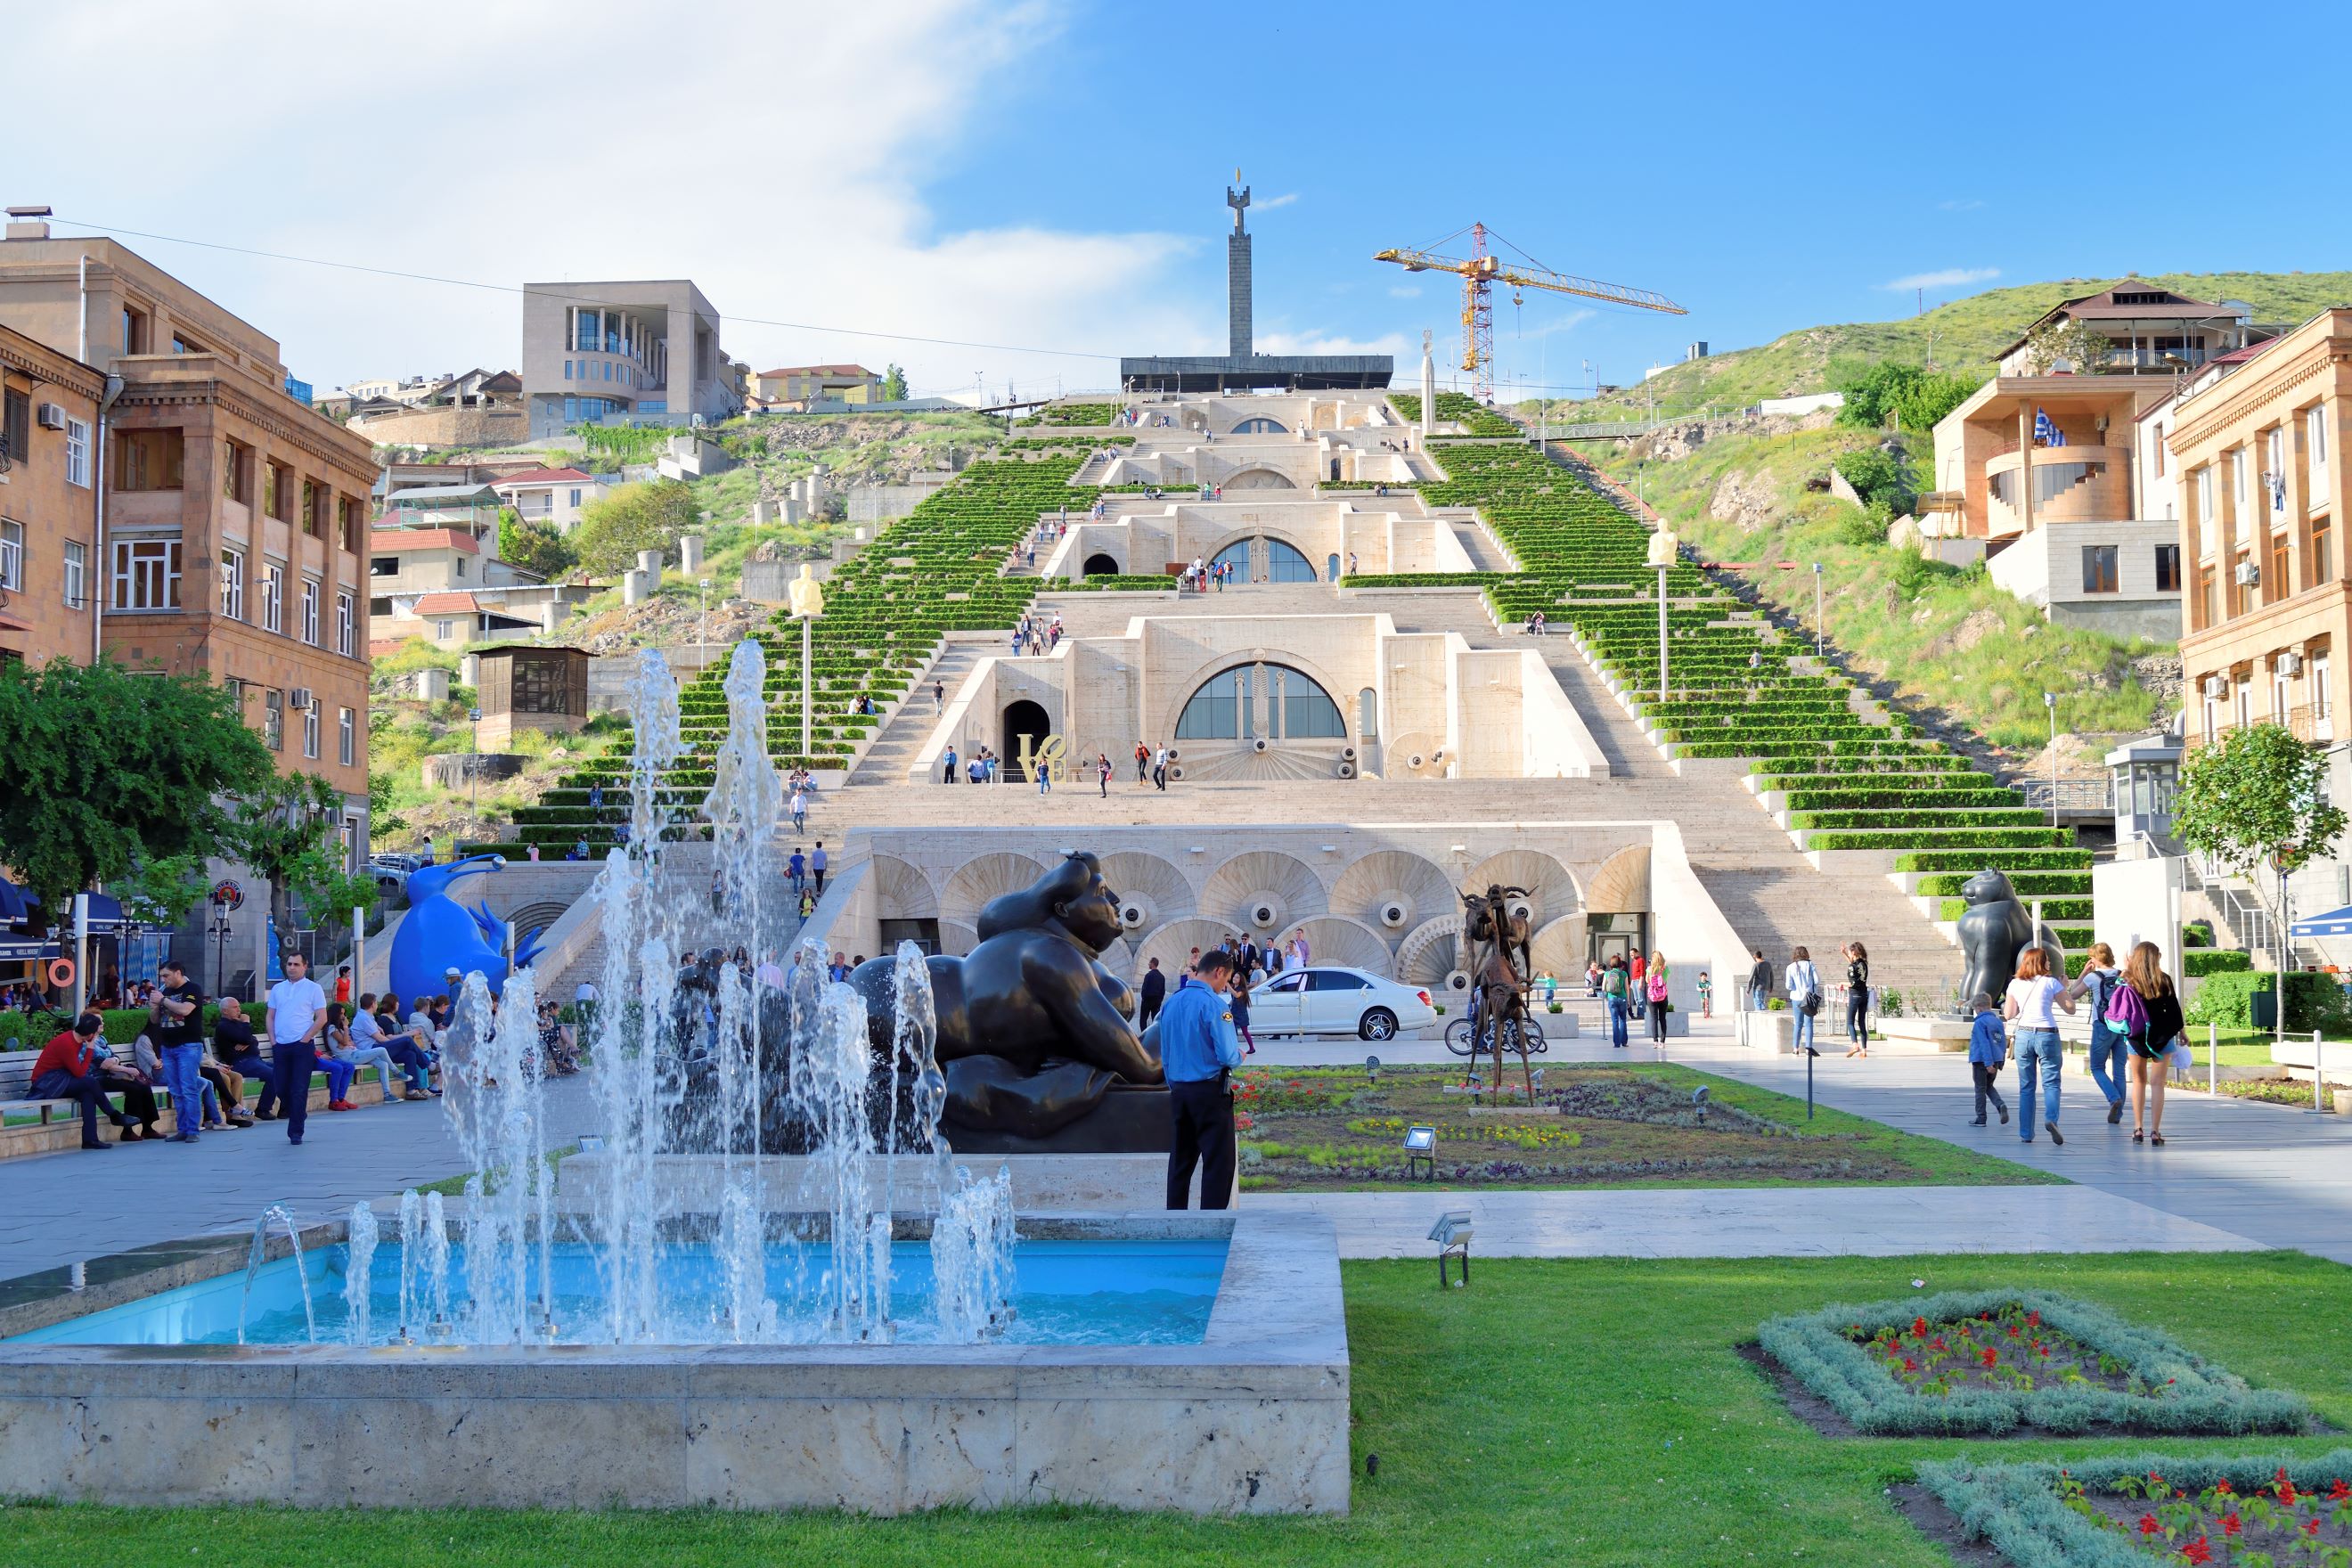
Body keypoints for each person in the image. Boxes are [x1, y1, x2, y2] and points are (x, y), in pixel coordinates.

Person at [1160, 951, 1245, 1211]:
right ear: (1219, 972)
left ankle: (1175, 1225)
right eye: (1226, 979)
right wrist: (1239, 1055)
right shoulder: (1215, 1005)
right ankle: (1211, 1226)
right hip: (1209, 1092)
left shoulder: (1172, 1003)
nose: (1224, 986)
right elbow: (1227, 1054)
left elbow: (1165, 1053)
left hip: (1179, 1092)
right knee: (1218, 1163)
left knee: (1180, 1162)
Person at [30, 1013, 139, 1149]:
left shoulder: (75, 1038)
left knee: (88, 1095)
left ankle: (90, 1140)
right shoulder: (67, 1044)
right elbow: (80, 1073)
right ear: (91, 1035)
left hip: (60, 1080)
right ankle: (114, 1115)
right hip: (46, 1084)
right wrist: (90, 1049)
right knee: (90, 1082)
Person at [2002, 947, 2073, 1147]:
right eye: (2047, 960)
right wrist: (2064, 987)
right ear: (2041, 963)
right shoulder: (2051, 983)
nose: (2049, 963)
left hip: (2024, 1035)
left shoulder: (2015, 984)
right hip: (2047, 1033)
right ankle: (2051, 1119)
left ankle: (2026, 1133)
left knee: (2026, 1086)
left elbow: (2009, 1014)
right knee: (2051, 1083)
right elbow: (2070, 1008)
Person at [265, 951, 329, 1147]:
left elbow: (322, 1018)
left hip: (302, 1046)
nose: (291, 967)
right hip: (281, 1046)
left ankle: (295, 1132)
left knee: (299, 1089)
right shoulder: (278, 989)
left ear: (304, 966)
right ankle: (299, 1112)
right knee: (281, 1087)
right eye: (289, 964)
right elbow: (270, 1016)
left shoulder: (313, 988)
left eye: (296, 964)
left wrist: (305, 1039)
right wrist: (273, 1041)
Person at [2127, 941, 2182, 1146]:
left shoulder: (2129, 980)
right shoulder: (2164, 980)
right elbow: (2175, 1013)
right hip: (2162, 1037)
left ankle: (2137, 1128)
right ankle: (2155, 1132)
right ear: (2156, 957)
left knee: (2138, 1080)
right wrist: (2178, 1032)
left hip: (2136, 1036)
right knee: (2158, 1084)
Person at [151, 958, 208, 1142]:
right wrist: (154, 1006)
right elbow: (154, 1020)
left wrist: (164, 1000)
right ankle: (182, 1129)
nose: (163, 980)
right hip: (168, 1047)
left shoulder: (192, 989)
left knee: (188, 1088)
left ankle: (193, 1130)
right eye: (161, 976)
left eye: (166, 975)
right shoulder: (165, 992)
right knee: (175, 1089)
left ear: (178, 973)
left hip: (188, 1046)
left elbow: (185, 1010)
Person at [2070, 943, 2127, 1124]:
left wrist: (2083, 973)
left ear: (2095, 959)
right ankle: (2117, 1115)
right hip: (2122, 1026)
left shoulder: (2093, 978)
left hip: (2102, 1026)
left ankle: (2113, 1098)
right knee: (2119, 1071)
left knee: (2096, 1068)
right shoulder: (2122, 975)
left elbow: (2073, 994)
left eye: (2091, 957)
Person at [1965, 992, 2010, 1127]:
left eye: (1975, 1010)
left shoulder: (1980, 1023)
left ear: (1978, 1008)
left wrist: (1988, 1062)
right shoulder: (1998, 1021)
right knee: (1988, 1085)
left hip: (1982, 1061)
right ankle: (2000, 1104)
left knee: (1980, 1088)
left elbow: (1983, 1043)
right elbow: (2002, 1042)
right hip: (1995, 1060)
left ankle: (1981, 1118)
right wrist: (2000, 1061)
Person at [316, 1003, 367, 1112]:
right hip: (332, 1056)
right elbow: (345, 1041)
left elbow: (349, 1042)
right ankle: (333, 1101)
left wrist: (345, 1042)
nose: (343, 1017)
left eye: (344, 1014)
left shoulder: (337, 1028)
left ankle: (340, 1099)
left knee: (349, 1067)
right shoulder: (332, 1027)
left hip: (328, 1055)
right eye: (341, 1014)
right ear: (335, 1014)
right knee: (338, 1068)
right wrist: (345, 1028)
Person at [1784, 946, 1822, 1056]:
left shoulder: (1790, 967)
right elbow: (1817, 980)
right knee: (1809, 1024)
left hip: (1796, 998)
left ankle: (1795, 1048)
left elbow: (1788, 986)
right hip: (1808, 998)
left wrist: (1796, 986)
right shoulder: (1810, 965)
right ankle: (1808, 1048)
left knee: (1798, 1024)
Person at [1842, 941, 1871, 1058]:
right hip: (1864, 995)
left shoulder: (1851, 967)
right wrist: (1844, 953)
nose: (1849, 953)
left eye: (1849, 951)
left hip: (1854, 995)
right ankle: (1864, 1050)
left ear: (1853, 952)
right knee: (1861, 1022)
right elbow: (1854, 965)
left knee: (1850, 1022)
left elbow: (1852, 983)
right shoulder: (1864, 964)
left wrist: (1842, 983)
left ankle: (1855, 1045)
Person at [1601, 957, 1629, 1048]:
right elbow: (1627, 988)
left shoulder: (1607, 974)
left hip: (1612, 998)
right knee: (1623, 1020)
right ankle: (1624, 1042)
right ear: (1620, 963)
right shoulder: (1624, 973)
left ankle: (1616, 1044)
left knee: (1615, 1021)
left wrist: (1607, 997)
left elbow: (1603, 988)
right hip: (1622, 998)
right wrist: (1628, 999)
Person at [1645, 951, 1670, 1045]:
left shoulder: (1649, 969)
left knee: (1654, 1018)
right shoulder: (1665, 969)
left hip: (1653, 996)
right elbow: (1665, 981)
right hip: (1663, 996)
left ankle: (1655, 1041)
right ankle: (1662, 1041)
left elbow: (1647, 980)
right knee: (1663, 1018)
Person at [1137, 956, 1166, 1030]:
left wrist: (1144, 998)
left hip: (1147, 1001)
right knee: (1155, 1021)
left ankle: (1144, 1037)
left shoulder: (1148, 975)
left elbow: (1144, 989)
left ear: (1152, 964)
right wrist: (1159, 1000)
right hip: (1157, 1002)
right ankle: (1154, 1037)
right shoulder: (1162, 977)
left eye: (1149, 963)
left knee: (1143, 1019)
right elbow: (1163, 990)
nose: (1148, 964)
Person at [1747, 949, 1771, 1013]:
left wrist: (1748, 989)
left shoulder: (1756, 965)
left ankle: (1760, 1016)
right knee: (1762, 1001)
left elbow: (1751, 978)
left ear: (1755, 956)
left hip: (1758, 987)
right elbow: (1771, 976)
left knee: (1758, 1002)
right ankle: (1763, 1014)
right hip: (1766, 987)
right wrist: (1770, 987)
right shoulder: (1768, 964)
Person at [1628, 949, 1647, 1020]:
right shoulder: (1634, 961)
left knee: (1640, 998)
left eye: (1632, 953)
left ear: (1637, 953)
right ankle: (1639, 1014)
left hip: (1639, 980)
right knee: (1636, 999)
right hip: (1634, 980)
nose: (1631, 955)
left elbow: (1642, 972)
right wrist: (1632, 982)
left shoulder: (1640, 960)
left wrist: (1641, 982)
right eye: (1630, 954)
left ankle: (1642, 1014)